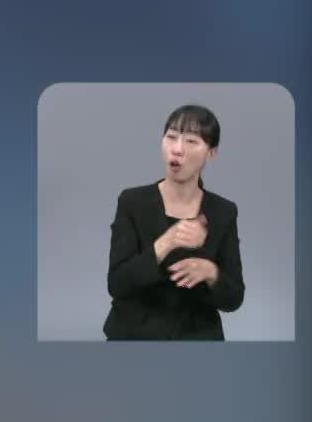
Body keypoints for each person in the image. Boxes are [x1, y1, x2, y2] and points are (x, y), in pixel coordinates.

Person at [103, 104, 246, 339]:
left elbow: (234, 299)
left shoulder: (224, 211)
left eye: (191, 141)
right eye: (171, 137)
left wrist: (211, 272)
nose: (177, 149)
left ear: (211, 153)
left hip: (198, 338)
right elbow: (117, 284)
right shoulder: (132, 201)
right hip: (134, 338)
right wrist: (168, 241)